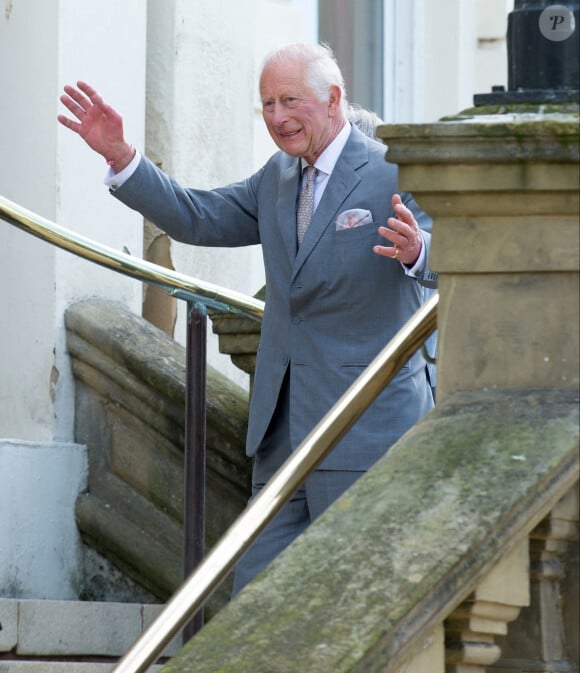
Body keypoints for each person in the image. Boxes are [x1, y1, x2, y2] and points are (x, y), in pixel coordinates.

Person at [58, 42, 437, 595]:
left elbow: (467, 254)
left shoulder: (393, 169)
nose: (278, 117)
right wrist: (123, 159)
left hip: (367, 427)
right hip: (282, 433)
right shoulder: (277, 177)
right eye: (267, 104)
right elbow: (199, 216)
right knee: (254, 597)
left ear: (333, 100)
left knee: (357, 602)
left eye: (290, 101)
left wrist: (419, 250)